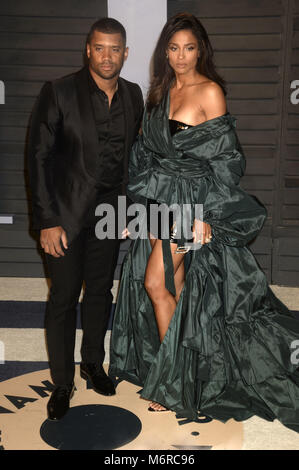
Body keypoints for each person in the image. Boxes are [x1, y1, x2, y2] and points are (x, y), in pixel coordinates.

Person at [109, 12, 299, 432]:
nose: (181, 56)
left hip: (193, 205)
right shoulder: (160, 91)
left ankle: (172, 382)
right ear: (165, 51)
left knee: (157, 284)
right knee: (160, 287)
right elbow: (146, 158)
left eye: (189, 48)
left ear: (201, 50)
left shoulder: (210, 92)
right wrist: (137, 210)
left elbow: (227, 163)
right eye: (173, 48)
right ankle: (180, 376)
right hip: (161, 203)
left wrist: (208, 216)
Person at [27, 17, 143, 420]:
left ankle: (93, 363)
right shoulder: (58, 92)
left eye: (115, 49)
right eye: (99, 48)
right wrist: (47, 221)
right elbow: (38, 159)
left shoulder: (133, 94)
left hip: (111, 212)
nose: (107, 56)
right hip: (65, 215)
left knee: (99, 293)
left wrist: (132, 207)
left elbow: (135, 158)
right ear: (87, 50)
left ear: (125, 53)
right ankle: (62, 383)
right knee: (62, 298)